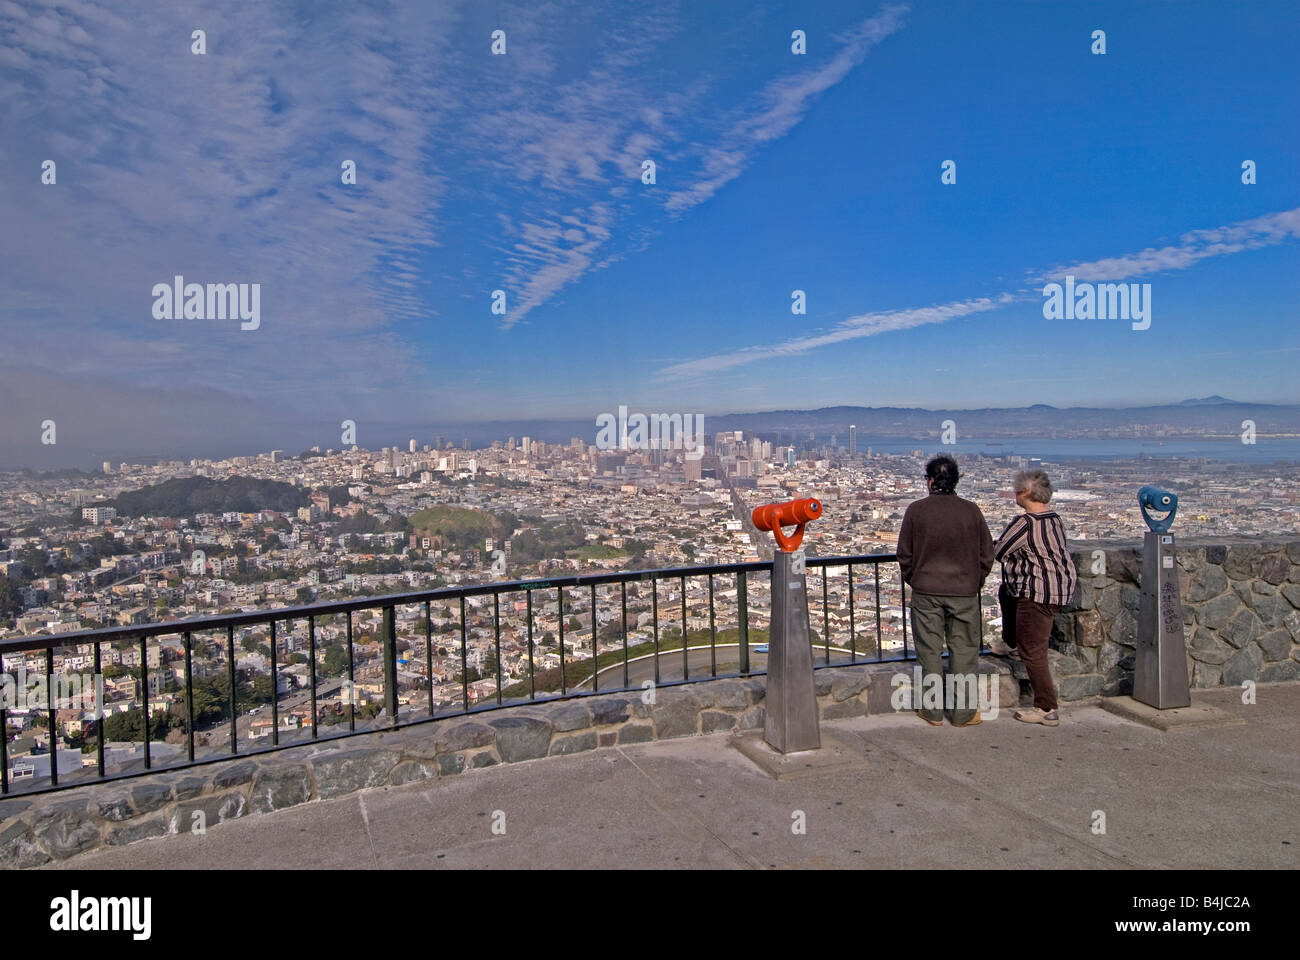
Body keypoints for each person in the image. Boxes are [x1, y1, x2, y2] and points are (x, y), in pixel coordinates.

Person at [897, 455, 994, 726]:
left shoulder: (916, 511)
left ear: (929, 481)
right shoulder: (971, 510)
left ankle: (932, 711)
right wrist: (976, 579)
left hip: (926, 590)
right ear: (955, 481)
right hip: (964, 592)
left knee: (929, 650)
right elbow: (987, 553)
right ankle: (964, 713)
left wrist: (915, 578)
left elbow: (904, 553)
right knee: (964, 650)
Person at [994, 469, 1078, 727]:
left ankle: (1046, 707)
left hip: (1037, 591)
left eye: (1018, 489)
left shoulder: (1026, 523)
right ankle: (1010, 641)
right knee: (1005, 591)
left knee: (1034, 652)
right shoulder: (1053, 518)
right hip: (1058, 588)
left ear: (1026, 493)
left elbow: (1000, 551)